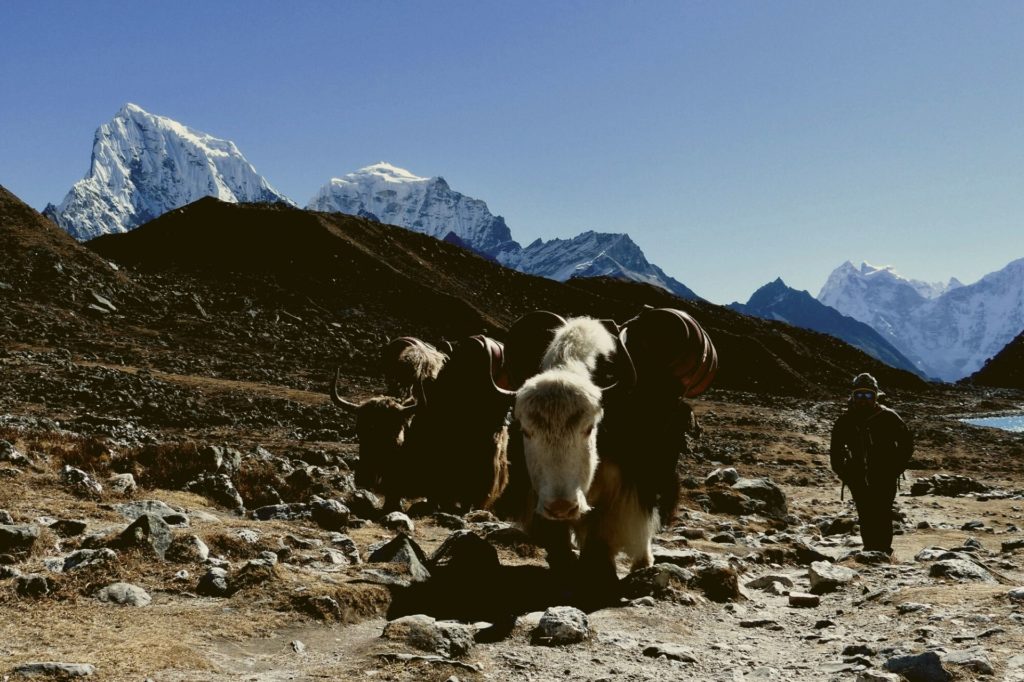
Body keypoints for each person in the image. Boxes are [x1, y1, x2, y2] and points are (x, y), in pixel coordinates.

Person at [829, 373, 914, 556]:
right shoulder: (845, 420)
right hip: (857, 475)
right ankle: (869, 551)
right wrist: (846, 474)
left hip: (885, 474)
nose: (863, 400)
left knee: (883, 513)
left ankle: (883, 552)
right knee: (865, 514)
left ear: (876, 396)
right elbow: (835, 452)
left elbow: (906, 444)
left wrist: (895, 468)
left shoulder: (889, 417)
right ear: (852, 396)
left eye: (868, 395)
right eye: (859, 395)